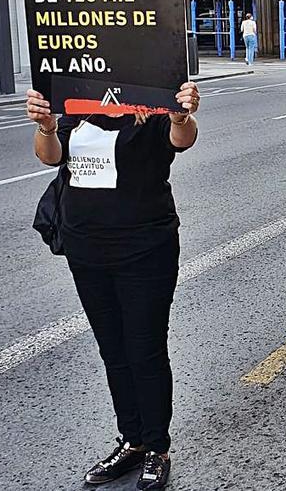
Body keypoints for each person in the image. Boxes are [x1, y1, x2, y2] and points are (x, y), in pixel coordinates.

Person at [25, 81, 201, 491]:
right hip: (86, 249)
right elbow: (51, 158)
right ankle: (133, 441)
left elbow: (181, 139)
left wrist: (180, 116)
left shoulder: (151, 96)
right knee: (114, 351)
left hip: (145, 249)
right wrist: (46, 126)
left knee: (144, 349)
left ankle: (157, 447)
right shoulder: (78, 99)